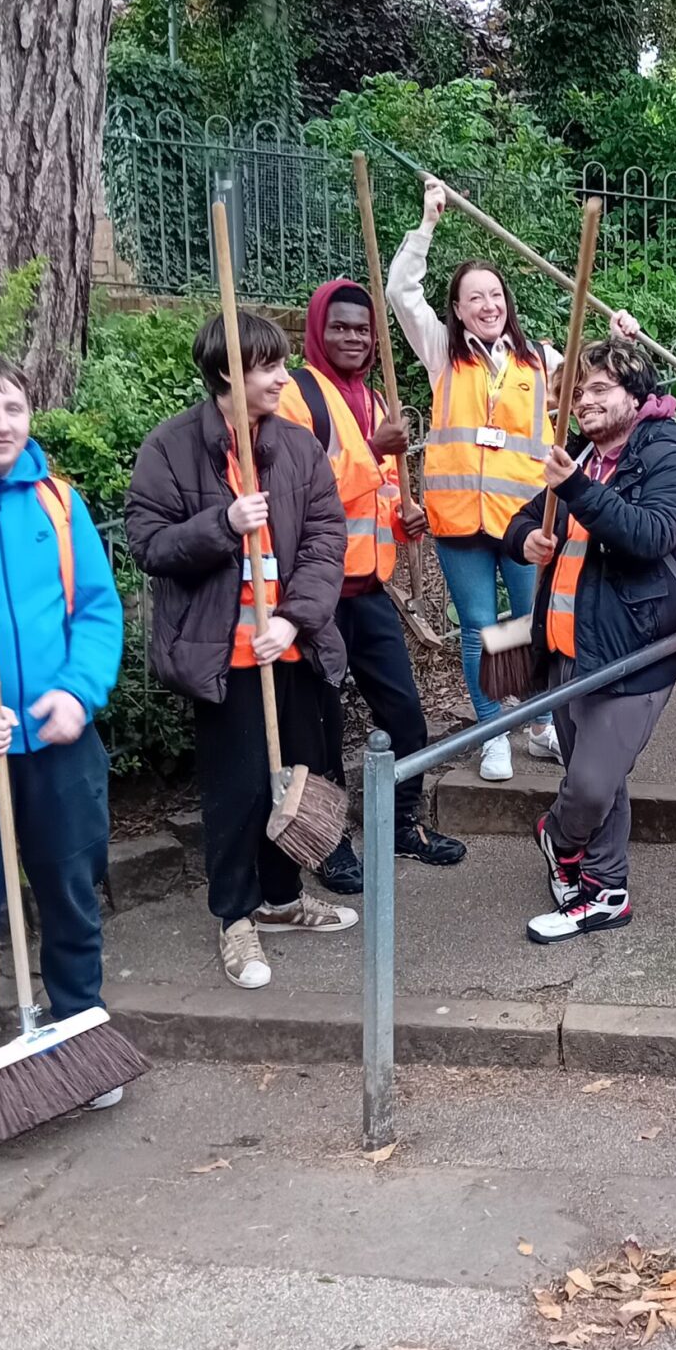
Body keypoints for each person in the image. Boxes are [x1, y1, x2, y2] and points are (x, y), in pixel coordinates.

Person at [125, 310, 357, 990]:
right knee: (240, 790)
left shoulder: (297, 445)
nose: (284, 378)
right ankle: (234, 916)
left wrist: (294, 618)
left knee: (296, 781)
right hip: (224, 659)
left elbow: (325, 538)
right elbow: (150, 543)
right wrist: (222, 523)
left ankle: (282, 900)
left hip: (291, 647)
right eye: (269, 367)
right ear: (228, 371)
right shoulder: (171, 447)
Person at [505, 338, 676, 942]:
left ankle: (559, 839)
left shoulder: (668, 451)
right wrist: (524, 542)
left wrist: (577, 492)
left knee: (588, 784)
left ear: (635, 396)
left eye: (599, 389)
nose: (584, 401)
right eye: (577, 391)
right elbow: (521, 520)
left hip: (635, 650)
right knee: (603, 781)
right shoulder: (587, 457)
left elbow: (652, 534)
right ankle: (605, 890)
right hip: (569, 645)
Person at [277, 279, 467, 891]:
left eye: (363, 328)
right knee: (320, 727)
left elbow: (377, 494)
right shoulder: (295, 397)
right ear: (317, 330)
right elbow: (297, 493)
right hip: (314, 593)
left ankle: (402, 823)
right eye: (341, 327)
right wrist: (370, 451)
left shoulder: (377, 396)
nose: (354, 338)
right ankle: (327, 842)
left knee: (406, 715)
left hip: (370, 588)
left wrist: (402, 518)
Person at [387, 177, 561, 781]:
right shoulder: (442, 355)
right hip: (459, 522)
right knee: (478, 630)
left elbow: (602, 378)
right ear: (457, 309)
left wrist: (619, 332)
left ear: (507, 302)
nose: (487, 305)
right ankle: (494, 732)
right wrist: (427, 224)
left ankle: (538, 722)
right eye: (473, 298)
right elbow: (400, 292)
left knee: (527, 623)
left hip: (524, 520)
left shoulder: (542, 360)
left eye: (495, 295)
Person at [0, 356, 124, 1100]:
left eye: (11, 407)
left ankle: (80, 1033)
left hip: (59, 743)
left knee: (72, 891)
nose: (0, 424)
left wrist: (77, 693)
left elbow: (98, 613)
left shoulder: (57, 503)